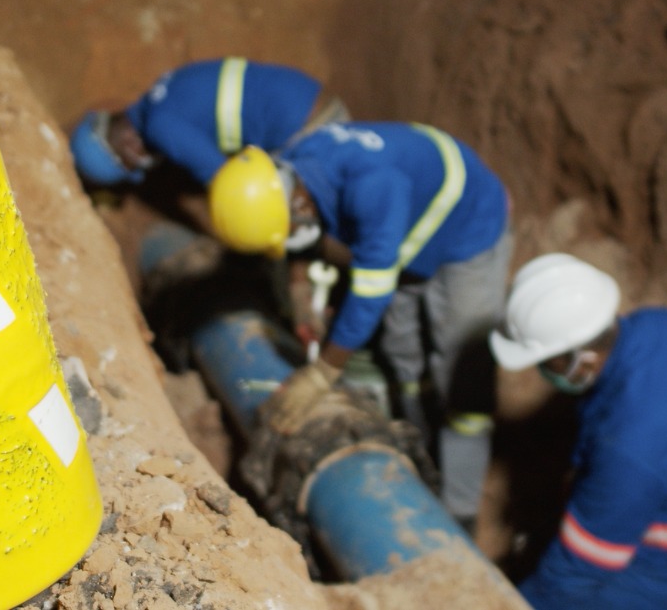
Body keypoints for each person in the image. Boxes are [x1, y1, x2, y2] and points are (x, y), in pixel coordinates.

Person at [207, 120, 514, 530]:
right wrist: (299, 290)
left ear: (298, 204)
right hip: (410, 229)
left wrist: (323, 372)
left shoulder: (373, 188)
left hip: (468, 231)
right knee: (401, 350)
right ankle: (419, 449)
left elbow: (370, 294)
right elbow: (301, 235)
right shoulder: (289, 170)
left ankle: (461, 511)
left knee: (461, 373)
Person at [489, 253, 667, 609]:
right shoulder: (663, 326)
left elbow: (574, 575)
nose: (541, 371)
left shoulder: (630, 450)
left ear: (583, 359)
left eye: (546, 362)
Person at [69, 57, 348, 188]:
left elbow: (230, 182)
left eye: (134, 164)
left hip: (308, 133)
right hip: (315, 103)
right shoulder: (163, 93)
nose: (146, 163)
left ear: (129, 147)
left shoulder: (160, 125)